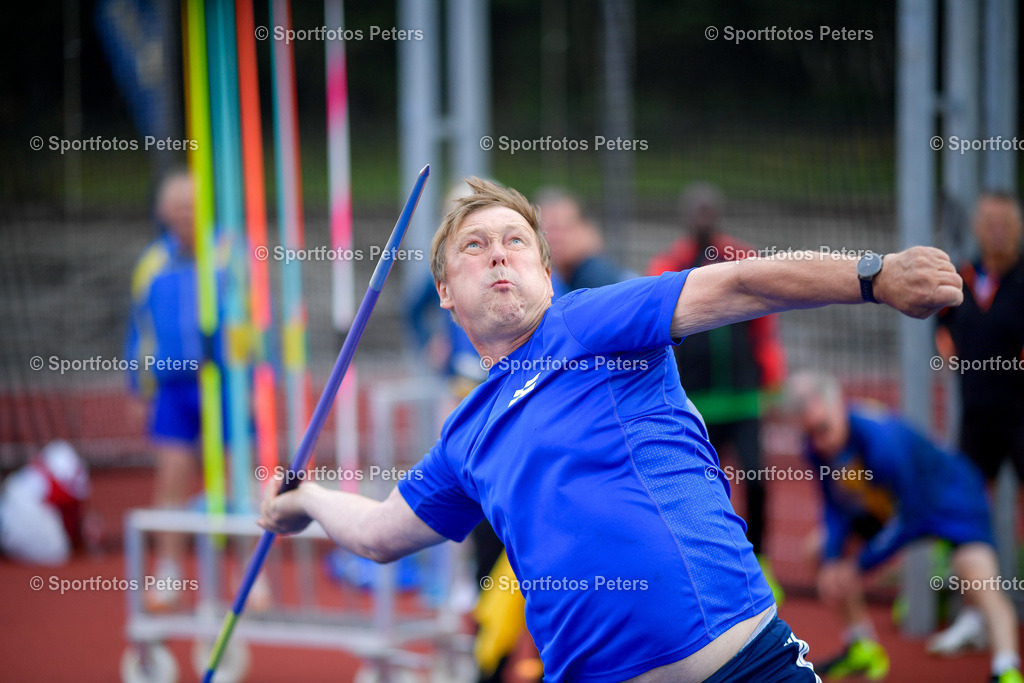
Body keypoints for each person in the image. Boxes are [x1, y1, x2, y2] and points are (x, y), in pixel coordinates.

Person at [258, 177, 962, 682]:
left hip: (744, 666)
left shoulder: (590, 320)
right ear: (445, 290)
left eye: (515, 240)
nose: (499, 253)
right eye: (476, 245)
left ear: (544, 269)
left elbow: (740, 284)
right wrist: (305, 500)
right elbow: (383, 531)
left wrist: (874, 275)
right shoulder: (463, 435)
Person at [787, 370, 1021, 683]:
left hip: (949, 501)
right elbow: (834, 506)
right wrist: (832, 561)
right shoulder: (818, 447)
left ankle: (1006, 668)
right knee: (818, 548)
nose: (820, 442)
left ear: (839, 405)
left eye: (823, 429)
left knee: (977, 577)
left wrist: (860, 564)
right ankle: (862, 647)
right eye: (809, 434)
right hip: (891, 504)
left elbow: (911, 517)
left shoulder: (882, 442)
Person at [648, 182, 787, 602]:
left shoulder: (742, 259)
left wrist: (772, 377)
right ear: (687, 217)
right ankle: (705, 569)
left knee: (758, 479)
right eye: (698, 211)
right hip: (696, 403)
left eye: (710, 210)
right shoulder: (667, 266)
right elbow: (653, 329)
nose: (704, 218)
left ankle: (761, 561)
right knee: (699, 489)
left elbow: (765, 323)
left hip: (743, 398)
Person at [125, 171, 208, 608]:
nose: (185, 212)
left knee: (236, 481)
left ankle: (251, 575)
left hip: (222, 384)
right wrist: (138, 388)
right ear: (164, 212)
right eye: (177, 205)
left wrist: (256, 379)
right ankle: (169, 573)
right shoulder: (151, 265)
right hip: (173, 390)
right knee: (171, 483)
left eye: (192, 203)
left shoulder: (227, 257)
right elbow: (138, 333)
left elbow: (256, 323)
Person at [936, 192, 1024, 484]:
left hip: (1019, 409)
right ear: (976, 227)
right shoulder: (964, 277)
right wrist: (945, 343)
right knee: (971, 495)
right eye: (989, 222)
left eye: (1005, 222)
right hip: (976, 409)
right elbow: (941, 321)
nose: (997, 230)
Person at [0, 440, 95, 565]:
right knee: (58, 551)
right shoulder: (54, 483)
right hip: (23, 514)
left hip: (7, 507)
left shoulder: (31, 473)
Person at [535, 188, 635, 290]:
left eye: (565, 227)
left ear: (587, 230)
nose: (555, 238)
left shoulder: (595, 275)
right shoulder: (561, 277)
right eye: (546, 230)